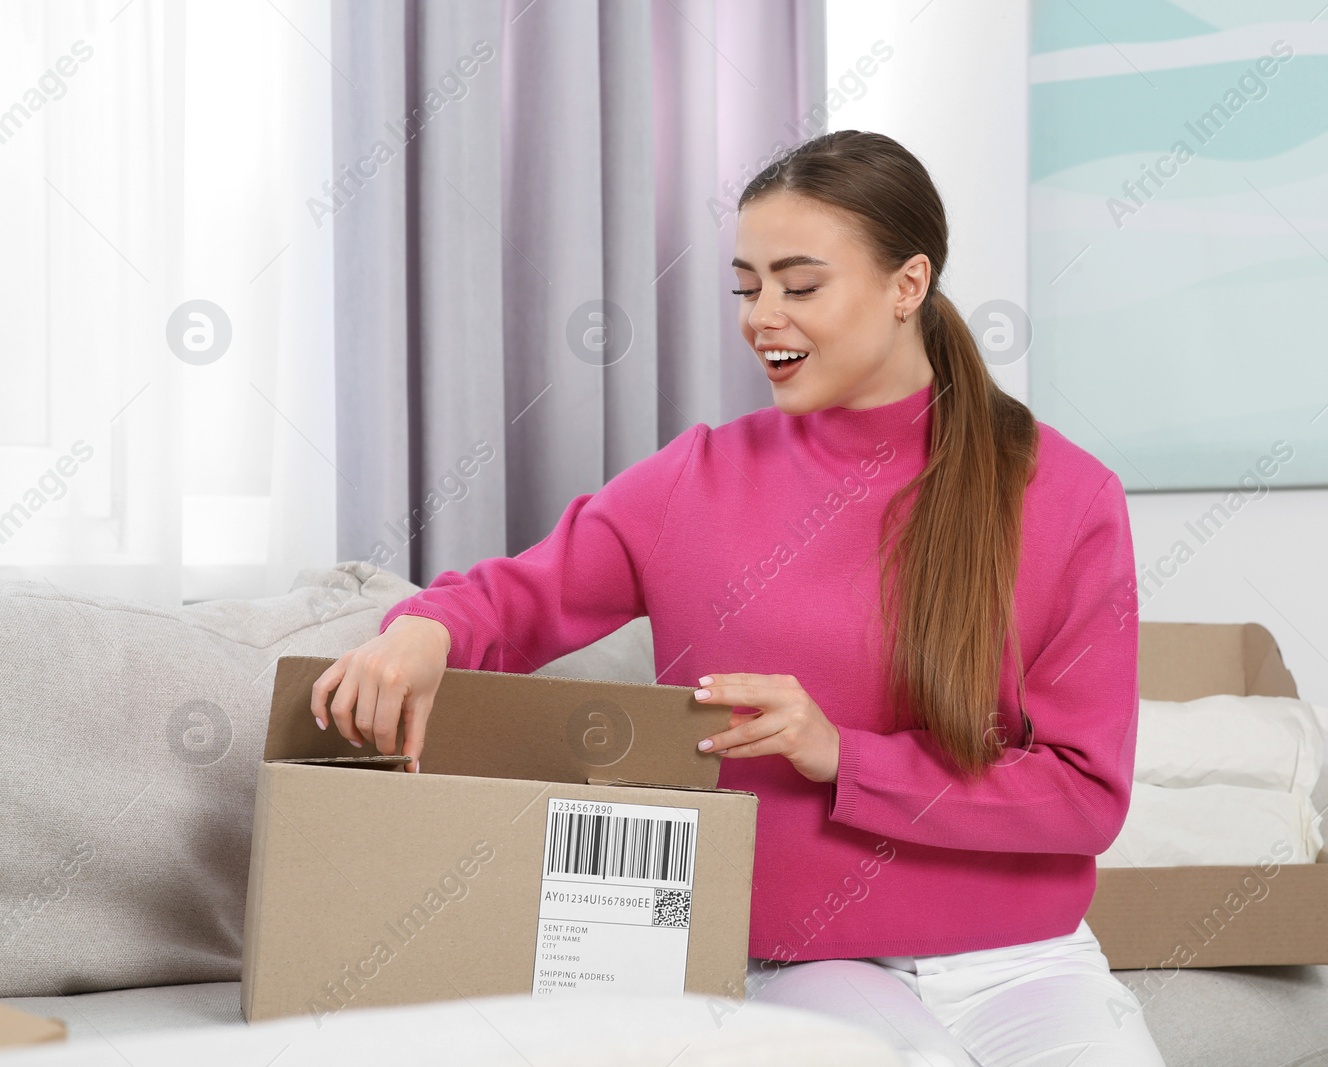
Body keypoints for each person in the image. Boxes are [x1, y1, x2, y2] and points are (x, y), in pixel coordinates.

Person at [310, 129, 1164, 1067]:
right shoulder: (696, 480)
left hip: (1027, 963)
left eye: (800, 286)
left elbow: (1086, 795)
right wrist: (423, 632)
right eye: (746, 286)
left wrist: (844, 756)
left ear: (907, 286)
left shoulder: (1069, 497)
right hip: (811, 961)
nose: (763, 317)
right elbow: (515, 598)